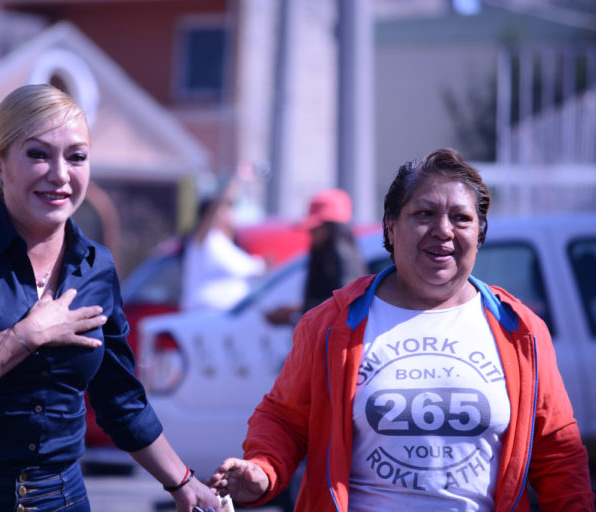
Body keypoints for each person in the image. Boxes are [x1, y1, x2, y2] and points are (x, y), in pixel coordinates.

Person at [0, 84, 221, 512]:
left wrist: (183, 482)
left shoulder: (97, 266)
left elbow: (119, 399)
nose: (60, 174)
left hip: (60, 499)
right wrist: (27, 335)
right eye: (38, 154)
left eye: (76, 157)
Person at [208, 148, 595, 511]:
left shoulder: (521, 331)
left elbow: (558, 455)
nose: (443, 230)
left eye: (461, 218)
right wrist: (263, 468)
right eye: (424, 214)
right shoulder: (331, 324)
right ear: (391, 227)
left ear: (480, 234)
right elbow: (285, 419)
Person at [265, 188, 367, 326]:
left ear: (332, 227)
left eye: (315, 228)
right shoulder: (326, 254)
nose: (311, 234)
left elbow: (345, 303)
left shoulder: (341, 254)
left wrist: (295, 311)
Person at [180, 164, 266, 312]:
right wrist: (237, 180)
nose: (231, 212)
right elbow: (214, 210)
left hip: (227, 321)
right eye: (227, 207)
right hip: (202, 317)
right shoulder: (204, 240)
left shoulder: (227, 245)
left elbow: (254, 270)